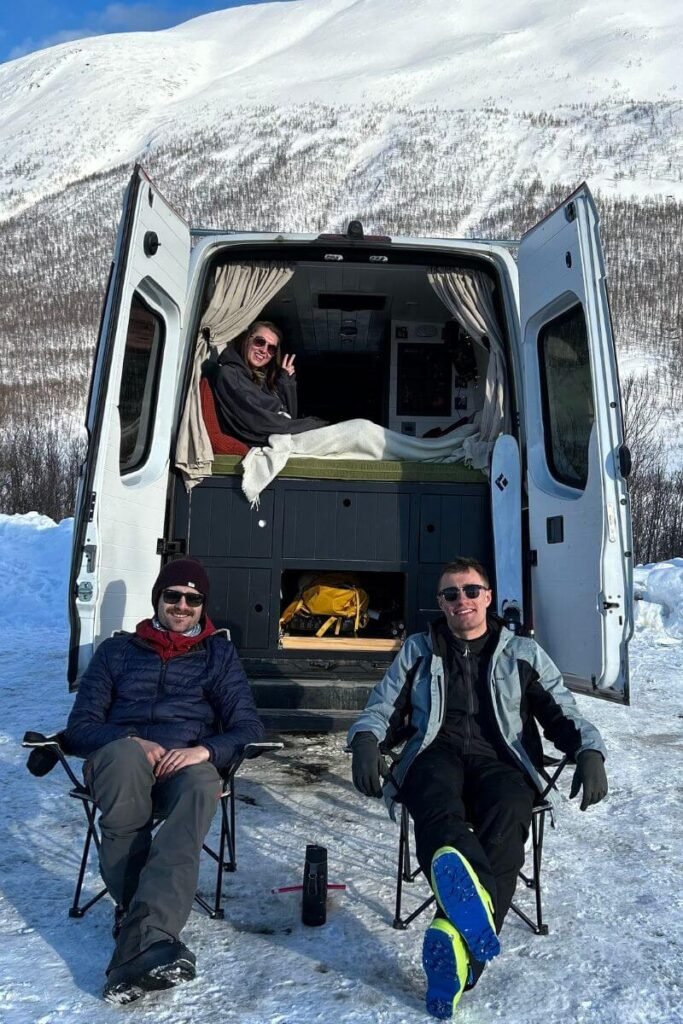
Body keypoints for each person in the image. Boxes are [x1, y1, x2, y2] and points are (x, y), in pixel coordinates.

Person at [348, 557, 608, 1019]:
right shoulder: (418, 650)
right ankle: (471, 945)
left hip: (501, 759)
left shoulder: (522, 654)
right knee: (432, 795)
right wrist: (366, 740)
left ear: (488, 596)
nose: (461, 601)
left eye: (471, 591)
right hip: (436, 752)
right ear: (440, 604)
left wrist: (589, 751)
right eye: (451, 594)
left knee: (510, 813)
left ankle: (459, 948)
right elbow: (382, 706)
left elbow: (562, 713)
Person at [64, 557, 264, 1005]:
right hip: (122, 759)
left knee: (200, 785)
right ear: (157, 598)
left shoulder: (218, 653)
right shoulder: (117, 651)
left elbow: (248, 727)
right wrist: (131, 739)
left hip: (183, 761)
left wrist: (205, 751)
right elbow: (80, 729)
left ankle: (139, 935)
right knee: (121, 762)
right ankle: (149, 935)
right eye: (172, 595)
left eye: (193, 599)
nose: (182, 605)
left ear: (202, 606)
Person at [210, 320, 327, 446]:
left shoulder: (257, 379)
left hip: (272, 434)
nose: (264, 350)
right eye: (260, 342)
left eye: (271, 348)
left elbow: (288, 415)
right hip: (259, 439)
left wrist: (286, 382)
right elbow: (258, 421)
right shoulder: (230, 374)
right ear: (247, 340)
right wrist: (311, 424)